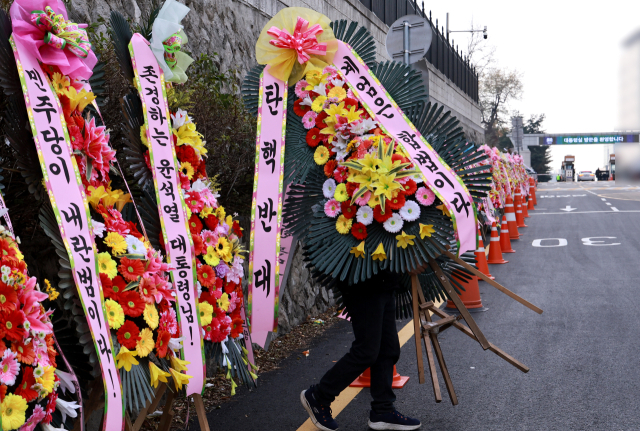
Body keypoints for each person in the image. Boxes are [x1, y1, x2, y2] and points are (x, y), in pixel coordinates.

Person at [300, 270, 421, 430]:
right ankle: (319, 395)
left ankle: (383, 411)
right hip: (364, 281)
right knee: (366, 350)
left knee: (388, 349)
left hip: (386, 282)